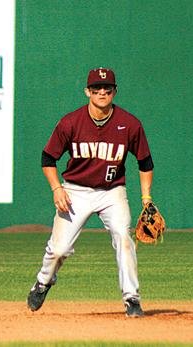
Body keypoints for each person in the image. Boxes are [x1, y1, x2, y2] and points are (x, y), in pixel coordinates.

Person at [26, 67, 155, 318]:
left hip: (112, 192)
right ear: (87, 91)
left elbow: (145, 163)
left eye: (107, 89)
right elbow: (47, 157)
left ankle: (132, 299)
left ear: (115, 91)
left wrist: (146, 198)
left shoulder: (129, 124)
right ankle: (43, 282)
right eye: (96, 89)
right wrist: (56, 189)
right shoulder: (71, 122)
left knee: (123, 237)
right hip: (75, 191)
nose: (102, 92)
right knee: (59, 249)